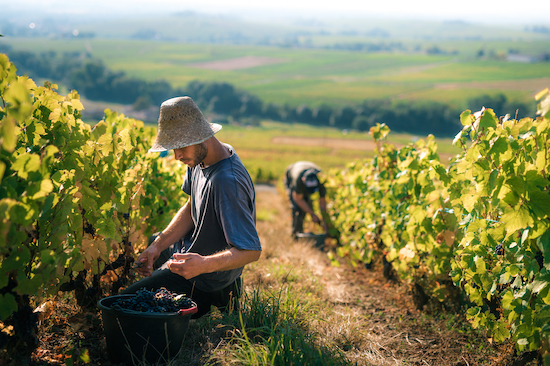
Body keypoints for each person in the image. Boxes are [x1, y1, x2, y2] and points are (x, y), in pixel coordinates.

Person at [122, 96, 262, 319]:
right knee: (155, 241)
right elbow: (191, 206)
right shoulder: (202, 157)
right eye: (173, 148)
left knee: (125, 309)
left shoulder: (227, 182)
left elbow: (251, 251)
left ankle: (213, 296)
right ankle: (216, 295)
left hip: (206, 276)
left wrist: (203, 265)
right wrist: (158, 246)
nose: (177, 156)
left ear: (202, 136)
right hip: (197, 259)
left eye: (181, 147)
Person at [283, 161, 328, 238]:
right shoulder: (298, 180)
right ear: (303, 180)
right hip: (291, 173)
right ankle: (296, 235)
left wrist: (324, 220)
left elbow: (322, 202)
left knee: (308, 202)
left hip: (305, 169)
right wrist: (312, 214)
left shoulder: (321, 179)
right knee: (297, 208)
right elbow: (298, 199)